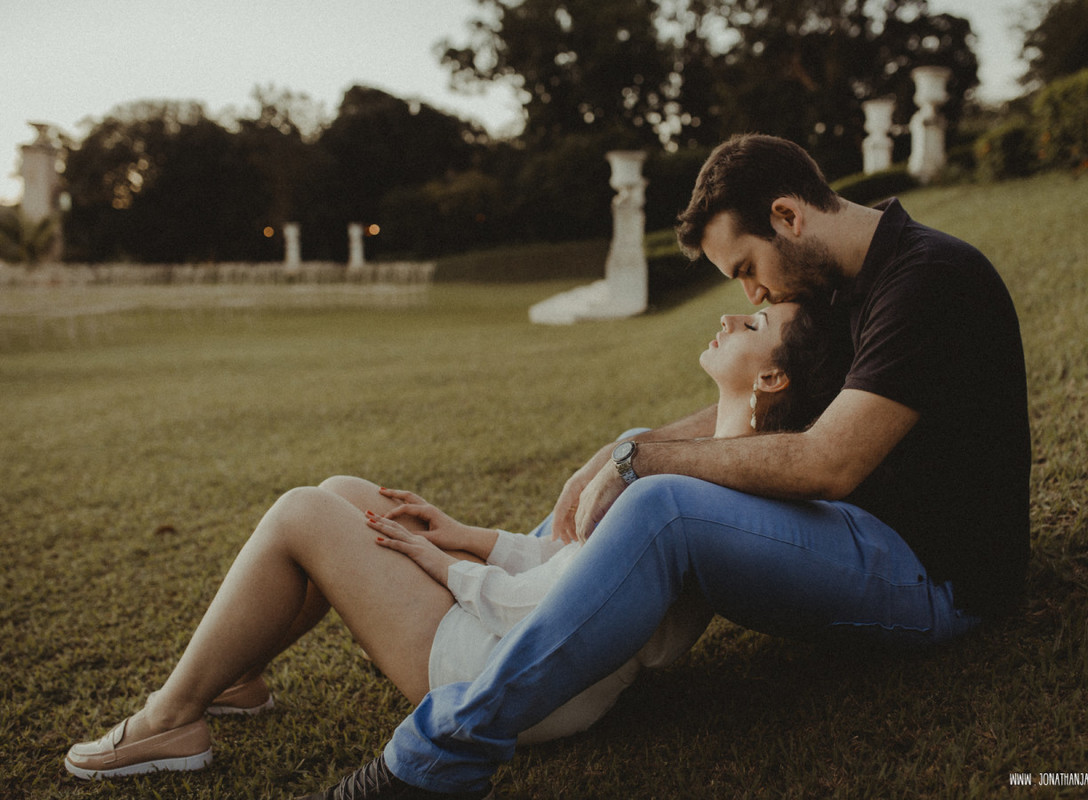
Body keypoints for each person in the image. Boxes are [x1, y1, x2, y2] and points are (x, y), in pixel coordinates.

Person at [299, 133, 1031, 800]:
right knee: (646, 459)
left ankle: (439, 756)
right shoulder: (839, 282)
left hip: (932, 576)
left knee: (666, 503)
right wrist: (627, 447)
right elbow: (771, 414)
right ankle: (519, 610)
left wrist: (642, 462)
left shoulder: (927, 279)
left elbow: (827, 461)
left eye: (747, 269)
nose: (752, 295)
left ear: (788, 216)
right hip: (853, 528)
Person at [63, 298, 844, 785]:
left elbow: (561, 613)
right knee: (345, 492)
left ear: (771, 380)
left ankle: (172, 717)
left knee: (304, 512)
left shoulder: (707, 489)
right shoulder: (706, 462)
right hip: (531, 644)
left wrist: (446, 566)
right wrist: (467, 535)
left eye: (754, 324)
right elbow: (582, 565)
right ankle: (238, 677)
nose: (729, 316)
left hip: (513, 676)